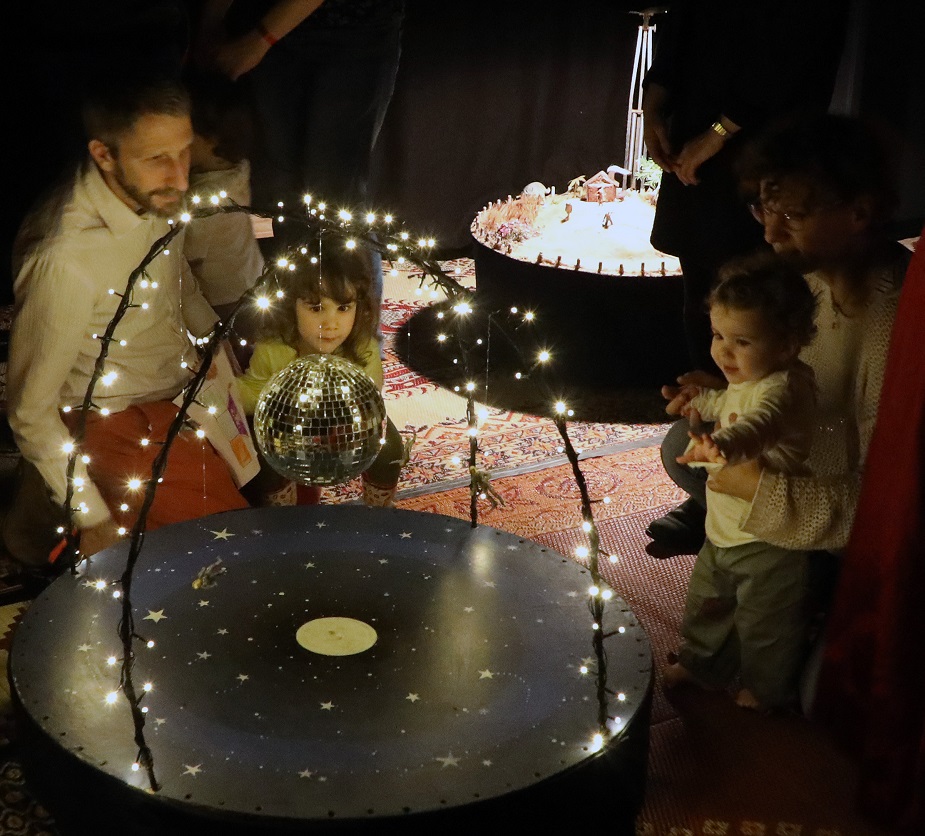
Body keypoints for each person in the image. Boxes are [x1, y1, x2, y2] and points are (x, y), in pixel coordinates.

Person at [3, 72, 249, 568]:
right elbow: (30, 410)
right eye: (158, 159)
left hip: (185, 391)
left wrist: (221, 352)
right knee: (230, 552)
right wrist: (92, 518)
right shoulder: (65, 261)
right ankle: (46, 521)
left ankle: (36, 509)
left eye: (183, 152)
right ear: (103, 155)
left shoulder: (151, 192)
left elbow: (175, 277)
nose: (181, 178)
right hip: (115, 415)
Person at [646, 113, 910, 565]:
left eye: (792, 215)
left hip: (842, 510)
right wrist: (736, 394)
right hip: (795, 456)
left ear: (859, 212)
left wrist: (757, 490)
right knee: (681, 445)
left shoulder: (895, 324)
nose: (770, 234)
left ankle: (814, 577)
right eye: (763, 210)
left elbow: (889, 501)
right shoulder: (804, 282)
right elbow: (794, 388)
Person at [642, 0, 847, 373]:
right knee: (704, 300)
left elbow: (795, 49)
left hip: (770, 143)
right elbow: (682, 22)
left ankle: (757, 417)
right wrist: (654, 100)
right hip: (695, 142)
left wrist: (719, 131)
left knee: (762, 301)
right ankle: (710, 413)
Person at [662, 252, 818, 711]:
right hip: (727, 526)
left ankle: (767, 692)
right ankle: (703, 666)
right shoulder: (752, 373)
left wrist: (723, 446)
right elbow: (730, 400)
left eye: (741, 341)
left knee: (767, 623)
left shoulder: (784, 388)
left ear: (787, 345)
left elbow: (760, 424)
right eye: (717, 335)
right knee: (708, 603)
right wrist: (701, 399)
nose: (723, 351)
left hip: (772, 535)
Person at [236, 245, 404, 506]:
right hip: (288, 424)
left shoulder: (363, 346)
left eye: (343, 308)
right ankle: (283, 516)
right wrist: (224, 393)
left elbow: (370, 399)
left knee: (390, 448)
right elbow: (254, 390)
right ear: (291, 306)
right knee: (261, 451)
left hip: (348, 425)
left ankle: (378, 512)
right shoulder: (275, 348)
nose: (331, 324)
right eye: (316, 309)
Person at [183, 67, 266, 326]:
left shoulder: (204, 198)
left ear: (209, 137)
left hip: (222, 295)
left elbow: (189, 256)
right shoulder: (240, 167)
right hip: (253, 275)